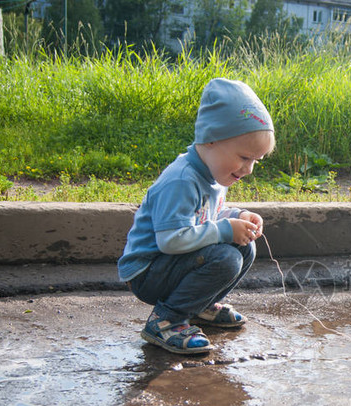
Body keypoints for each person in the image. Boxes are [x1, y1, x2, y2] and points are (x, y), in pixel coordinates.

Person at [117, 78, 274, 354]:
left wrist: (239, 215)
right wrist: (226, 229)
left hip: (172, 263)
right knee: (226, 258)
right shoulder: (181, 180)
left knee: (244, 246)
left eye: (255, 162)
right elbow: (171, 240)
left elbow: (206, 216)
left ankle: (199, 306)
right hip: (148, 270)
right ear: (211, 139)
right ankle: (166, 319)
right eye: (244, 157)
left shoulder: (213, 176)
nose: (248, 169)